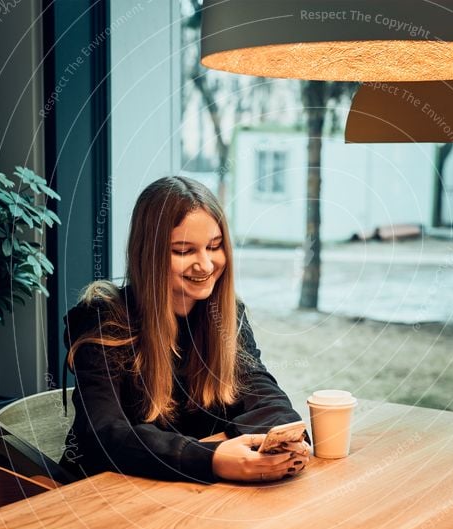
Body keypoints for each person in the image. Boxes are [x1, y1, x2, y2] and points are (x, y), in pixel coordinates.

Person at [58, 176, 310, 484]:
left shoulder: (226, 314)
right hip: (101, 494)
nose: (205, 265)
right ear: (147, 254)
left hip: (186, 494)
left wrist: (286, 435)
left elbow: (257, 388)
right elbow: (104, 434)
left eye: (214, 247)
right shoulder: (102, 319)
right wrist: (213, 459)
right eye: (183, 250)